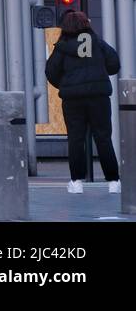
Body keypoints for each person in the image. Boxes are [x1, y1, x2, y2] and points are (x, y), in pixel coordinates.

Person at [46, 10, 122, 194]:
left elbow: (51, 72)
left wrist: (66, 83)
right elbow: (114, 64)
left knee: (76, 139)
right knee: (103, 138)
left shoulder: (62, 47)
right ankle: (113, 182)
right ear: (86, 25)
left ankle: (76, 182)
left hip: (73, 99)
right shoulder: (97, 43)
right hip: (99, 96)